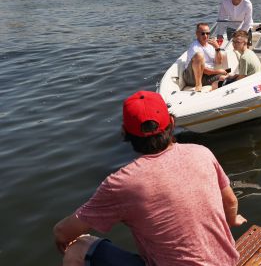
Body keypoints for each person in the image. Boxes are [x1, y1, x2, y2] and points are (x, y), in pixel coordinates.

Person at [53, 91, 246, 266]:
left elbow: (62, 232)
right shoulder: (202, 153)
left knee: (79, 248)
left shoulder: (122, 183)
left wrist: (63, 240)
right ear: (172, 122)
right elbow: (230, 201)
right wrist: (231, 221)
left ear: (124, 132)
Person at [183, 22, 228, 91]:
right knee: (199, 55)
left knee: (227, 77)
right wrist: (218, 71)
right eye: (203, 33)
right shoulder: (194, 47)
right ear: (197, 34)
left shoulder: (210, 46)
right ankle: (198, 85)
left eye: (208, 33)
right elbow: (204, 70)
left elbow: (219, 62)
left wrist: (217, 48)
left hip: (206, 76)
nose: (206, 36)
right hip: (192, 77)